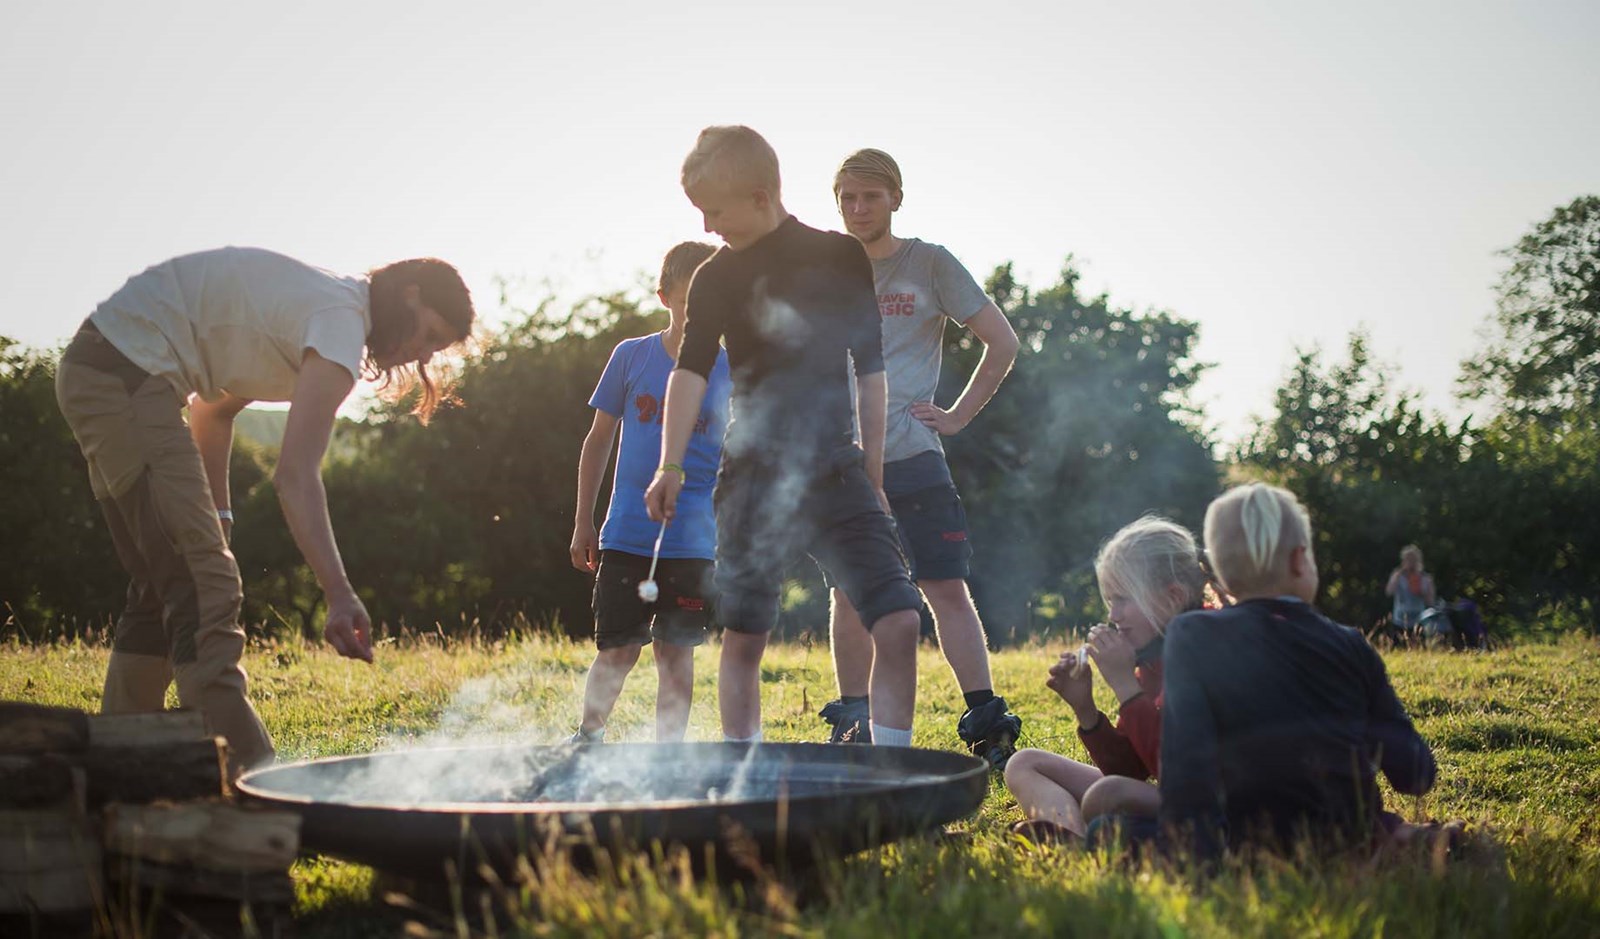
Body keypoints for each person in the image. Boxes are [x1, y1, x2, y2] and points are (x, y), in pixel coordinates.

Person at [55, 247, 475, 777]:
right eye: (429, 336)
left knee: (165, 582)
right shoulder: (341, 324)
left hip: (102, 371)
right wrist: (339, 594)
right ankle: (256, 784)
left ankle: (115, 774)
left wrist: (219, 518)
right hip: (127, 377)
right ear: (409, 296)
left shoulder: (329, 309)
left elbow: (213, 409)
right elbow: (295, 478)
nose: (422, 355)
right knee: (207, 585)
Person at [644, 126, 924, 746]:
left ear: (761, 195)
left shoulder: (838, 256)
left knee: (900, 620)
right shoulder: (716, 276)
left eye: (715, 212)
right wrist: (669, 464)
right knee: (745, 638)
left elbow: (870, 371)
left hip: (835, 471)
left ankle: (889, 777)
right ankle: (744, 776)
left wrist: (873, 476)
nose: (710, 228)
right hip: (752, 477)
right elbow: (689, 369)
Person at [819, 149, 1024, 767]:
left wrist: (958, 416)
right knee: (849, 593)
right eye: (847, 198)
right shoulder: (825, 270)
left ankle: (987, 723)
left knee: (945, 585)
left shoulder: (928, 263)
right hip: (845, 461)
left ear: (896, 200)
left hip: (914, 456)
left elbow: (1002, 340)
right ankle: (853, 721)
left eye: (870, 198)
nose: (858, 210)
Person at [1159, 483, 1438, 859]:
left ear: (1222, 580)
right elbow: (1416, 775)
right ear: (1299, 560)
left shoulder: (1191, 635)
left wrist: (1200, 866)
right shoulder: (1350, 645)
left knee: (1108, 828)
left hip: (1251, 846)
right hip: (1351, 844)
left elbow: (1185, 769)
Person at [568, 241, 729, 743]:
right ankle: (588, 738)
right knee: (617, 649)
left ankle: (668, 757)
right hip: (626, 535)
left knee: (675, 653)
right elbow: (597, 442)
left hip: (695, 540)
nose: (699, 313)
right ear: (665, 298)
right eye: (688, 302)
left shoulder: (734, 368)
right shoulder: (630, 356)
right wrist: (583, 521)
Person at [1003, 517, 1210, 843]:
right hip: (1176, 795)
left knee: (1106, 794)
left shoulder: (1204, 649)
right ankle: (1071, 838)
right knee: (1025, 763)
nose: (1113, 616)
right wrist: (1085, 709)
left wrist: (1126, 687)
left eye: (1124, 599)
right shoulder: (1153, 655)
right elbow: (1133, 770)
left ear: (1173, 597)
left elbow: (1179, 773)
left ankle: (1083, 846)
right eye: (1111, 601)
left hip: (1211, 804)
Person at [1385, 544, 1436, 634]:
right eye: (1408, 559)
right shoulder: (1397, 576)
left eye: (1413, 560)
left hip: (1419, 621)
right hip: (1399, 621)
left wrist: (1421, 593)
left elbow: (1431, 602)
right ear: (1403, 561)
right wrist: (1398, 575)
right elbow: (1389, 592)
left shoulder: (1425, 578)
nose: (1411, 563)